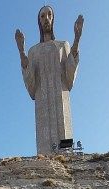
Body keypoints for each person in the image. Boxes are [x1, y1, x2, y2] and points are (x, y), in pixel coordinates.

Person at [15, 6, 85, 155]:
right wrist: (21, 51)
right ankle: (46, 158)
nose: (46, 18)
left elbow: (69, 74)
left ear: (53, 18)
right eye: (42, 16)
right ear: (39, 22)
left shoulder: (62, 45)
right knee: (45, 150)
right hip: (43, 101)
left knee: (65, 144)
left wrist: (77, 39)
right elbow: (31, 84)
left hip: (60, 97)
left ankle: (66, 154)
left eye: (49, 15)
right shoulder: (33, 51)